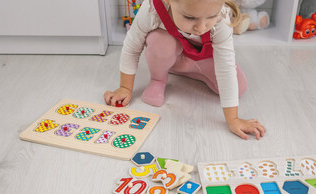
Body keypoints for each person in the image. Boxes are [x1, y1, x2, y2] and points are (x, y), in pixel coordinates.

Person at [104, 0, 266, 140]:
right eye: (190, 17)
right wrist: (125, 87)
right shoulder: (151, 9)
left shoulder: (222, 17)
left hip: (204, 58)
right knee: (159, 41)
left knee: (240, 87)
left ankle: (189, 68)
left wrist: (233, 119)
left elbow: (225, 65)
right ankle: (158, 78)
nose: (201, 27)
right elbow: (132, 46)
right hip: (170, 50)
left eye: (211, 17)